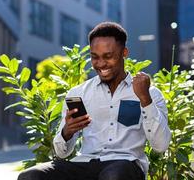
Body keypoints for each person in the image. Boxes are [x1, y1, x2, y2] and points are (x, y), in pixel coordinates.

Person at [18, 22, 171, 180]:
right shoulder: (79, 93)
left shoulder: (149, 93)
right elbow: (62, 153)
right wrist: (67, 132)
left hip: (126, 165)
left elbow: (160, 146)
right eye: (94, 57)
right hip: (85, 164)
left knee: (113, 175)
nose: (101, 64)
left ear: (124, 53)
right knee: (30, 176)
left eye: (108, 56)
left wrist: (145, 99)